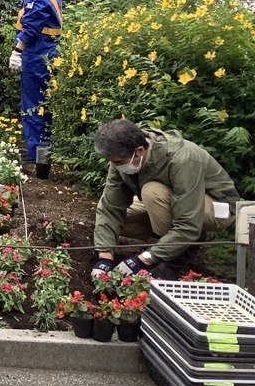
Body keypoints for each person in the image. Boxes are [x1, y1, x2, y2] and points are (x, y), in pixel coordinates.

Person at [90, 119, 238, 280]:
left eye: (117, 162)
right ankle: (169, 244)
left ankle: (175, 258)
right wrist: (104, 257)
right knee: (113, 222)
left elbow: (188, 223)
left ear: (139, 151)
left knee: (152, 191)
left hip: (219, 208)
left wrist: (144, 259)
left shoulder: (183, 158)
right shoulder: (124, 157)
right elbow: (110, 208)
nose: (115, 165)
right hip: (176, 203)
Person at [6, 0, 63, 169]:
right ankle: (43, 148)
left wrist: (17, 52)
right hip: (48, 51)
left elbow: (30, 27)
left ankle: (36, 150)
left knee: (33, 103)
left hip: (37, 53)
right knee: (44, 101)